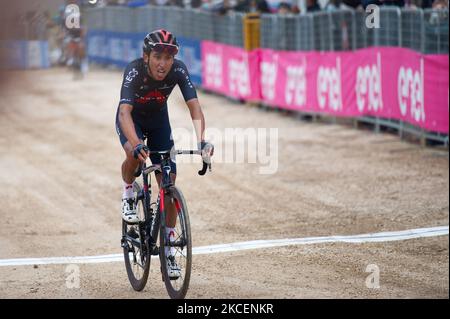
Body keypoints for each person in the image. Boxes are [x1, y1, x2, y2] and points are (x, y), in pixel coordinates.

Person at [115, 29, 213, 278]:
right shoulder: (135, 70)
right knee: (133, 155)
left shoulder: (178, 70)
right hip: (132, 120)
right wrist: (136, 143)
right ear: (146, 56)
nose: (163, 63)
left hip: (159, 122)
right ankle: (128, 192)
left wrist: (203, 141)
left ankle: (169, 249)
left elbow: (195, 107)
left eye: (168, 58)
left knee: (169, 186)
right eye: (158, 56)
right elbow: (124, 112)